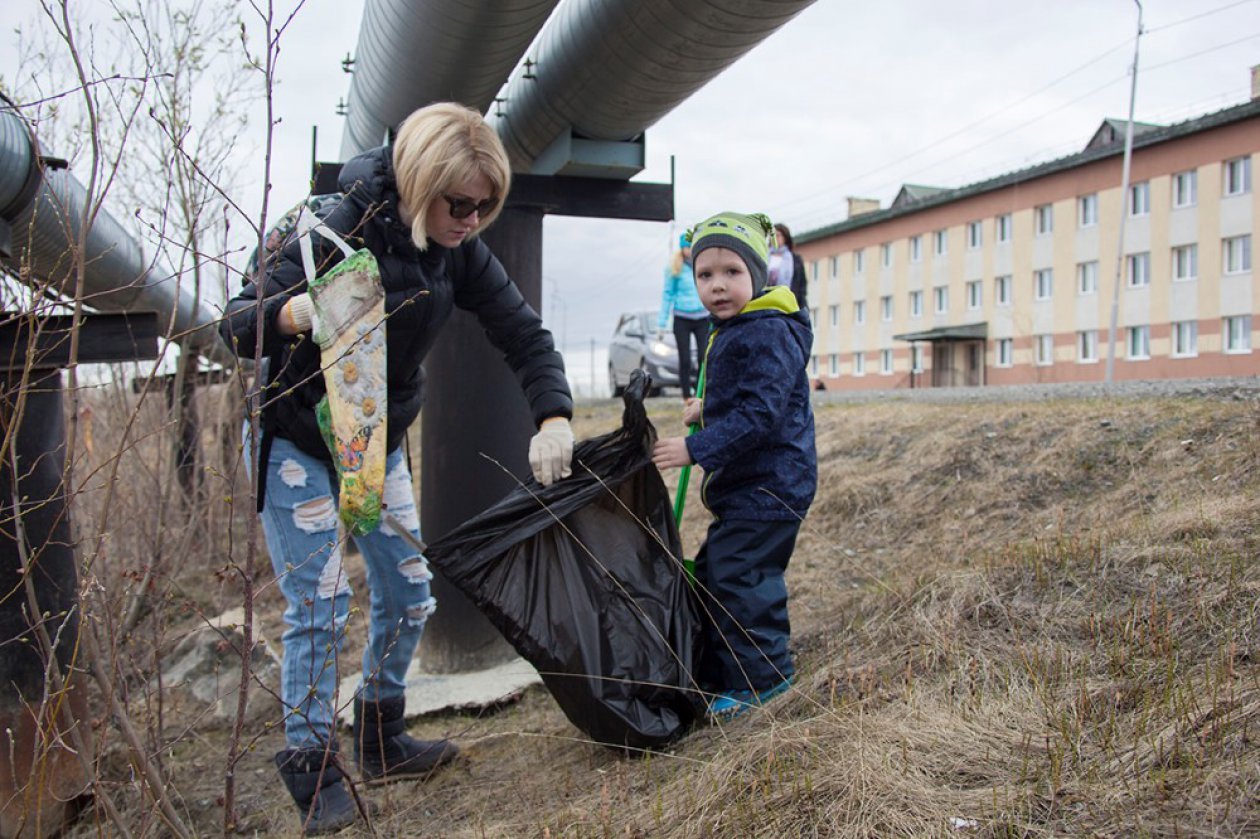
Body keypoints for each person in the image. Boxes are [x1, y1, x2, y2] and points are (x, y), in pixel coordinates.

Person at [221, 102, 574, 833]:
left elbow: (522, 332)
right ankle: (313, 768)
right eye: (459, 203)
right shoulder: (335, 227)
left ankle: (380, 734)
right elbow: (236, 319)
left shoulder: (458, 251)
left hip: (376, 444)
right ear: (420, 183)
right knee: (319, 604)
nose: (472, 218)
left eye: (486, 205)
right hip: (296, 440)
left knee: (412, 589)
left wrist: (553, 414)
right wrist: (297, 314)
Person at [650, 211, 817, 721]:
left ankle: (766, 677)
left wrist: (696, 448)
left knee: (740, 575)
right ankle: (735, 668)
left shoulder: (765, 332)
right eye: (705, 275)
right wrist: (711, 406)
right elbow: (751, 396)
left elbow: (762, 414)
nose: (717, 286)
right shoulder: (741, 326)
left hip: (770, 486)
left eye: (731, 273)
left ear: (759, 273)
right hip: (751, 486)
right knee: (721, 569)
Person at [658, 233, 708, 399]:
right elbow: (667, 295)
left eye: (691, 246)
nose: (689, 250)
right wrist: (661, 323)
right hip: (682, 318)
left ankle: (701, 391)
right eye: (686, 247)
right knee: (685, 358)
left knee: (704, 356)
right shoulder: (675, 268)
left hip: (702, 317)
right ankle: (687, 395)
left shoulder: (703, 264)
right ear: (682, 248)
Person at [768, 222, 808, 312]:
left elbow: (802, 287)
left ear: (785, 238)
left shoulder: (795, 260)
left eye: (778, 235)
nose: (775, 238)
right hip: (766, 301)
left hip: (788, 303)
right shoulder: (763, 257)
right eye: (773, 235)